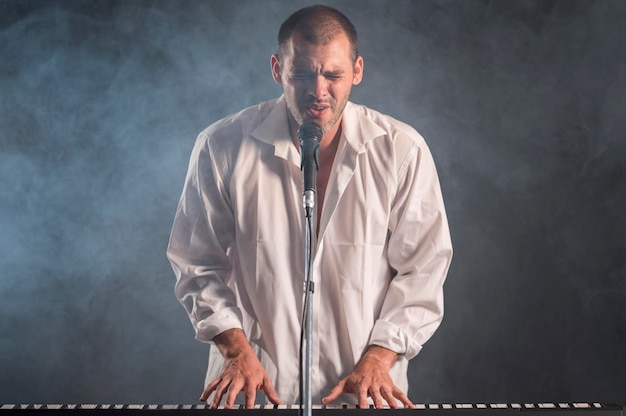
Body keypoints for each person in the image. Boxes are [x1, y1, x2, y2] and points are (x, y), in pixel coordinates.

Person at [166, 4, 452, 410]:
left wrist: (380, 356)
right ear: (277, 68)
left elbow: (424, 268)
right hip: (250, 392)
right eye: (302, 73)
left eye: (333, 74)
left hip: (364, 392)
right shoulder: (221, 146)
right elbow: (196, 262)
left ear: (357, 71)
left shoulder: (402, 150)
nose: (318, 90)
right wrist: (233, 350)